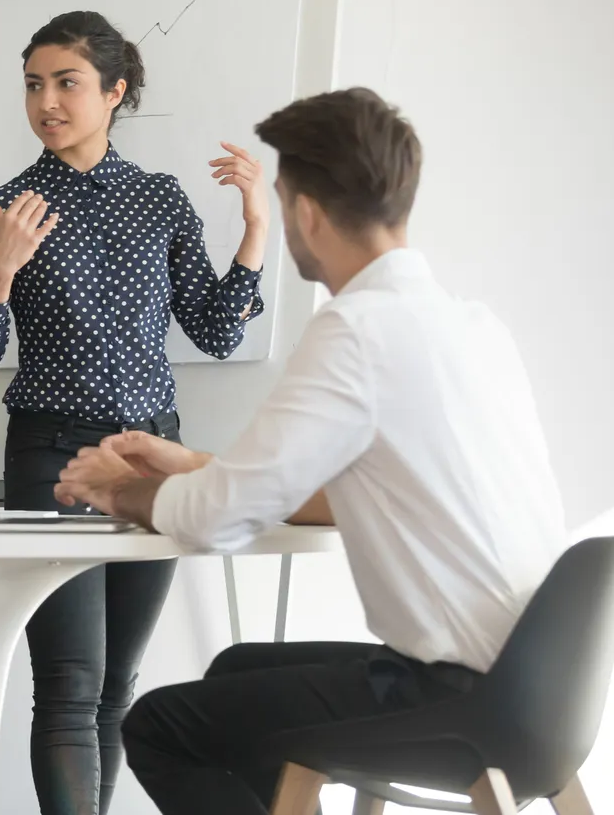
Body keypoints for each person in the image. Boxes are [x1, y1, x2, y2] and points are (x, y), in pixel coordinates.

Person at [54, 88, 566, 815]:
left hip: (458, 702)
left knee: (162, 727)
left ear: (305, 213)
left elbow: (213, 523)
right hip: (540, 691)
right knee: (233, 670)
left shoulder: (356, 329)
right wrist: (200, 467)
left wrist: (115, 489)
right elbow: (347, 489)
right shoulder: (471, 327)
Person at [0, 10, 269, 813]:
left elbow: (218, 331)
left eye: (67, 83)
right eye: (33, 85)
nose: (46, 102)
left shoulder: (160, 200)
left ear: (114, 92)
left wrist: (256, 228)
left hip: (154, 463)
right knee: (67, 683)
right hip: (50, 460)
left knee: (116, 686)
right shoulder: (5, 206)